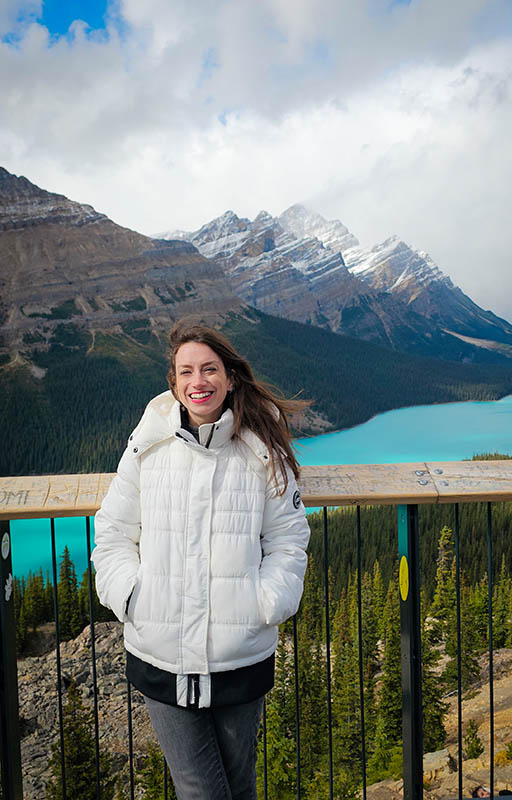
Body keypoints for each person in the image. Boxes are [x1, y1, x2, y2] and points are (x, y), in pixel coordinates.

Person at [92, 317, 311, 800]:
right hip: (160, 648)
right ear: (173, 383)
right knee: (200, 789)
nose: (199, 382)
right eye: (186, 372)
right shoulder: (147, 445)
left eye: (209, 369)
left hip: (241, 651)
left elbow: (288, 538)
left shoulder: (261, 448)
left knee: (238, 783)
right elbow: (111, 530)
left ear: (230, 377)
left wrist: (267, 602)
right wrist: (132, 596)